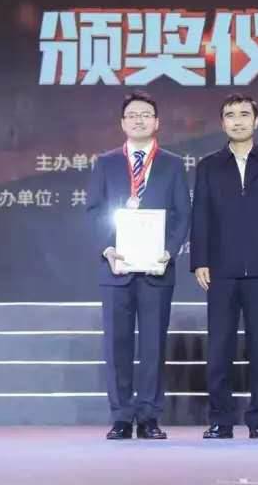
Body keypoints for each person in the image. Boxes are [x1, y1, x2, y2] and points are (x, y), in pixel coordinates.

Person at [87, 91, 191, 440]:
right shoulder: (105, 163)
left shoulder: (172, 164)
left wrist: (169, 251)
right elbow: (94, 210)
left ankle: (148, 417)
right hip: (116, 268)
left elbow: (182, 214)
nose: (139, 120)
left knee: (153, 346)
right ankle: (120, 416)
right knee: (117, 346)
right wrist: (107, 248)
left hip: (156, 269)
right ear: (122, 123)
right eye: (132, 115)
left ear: (157, 122)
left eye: (146, 114)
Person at [190, 93, 258, 440]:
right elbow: (200, 215)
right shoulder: (208, 165)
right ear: (222, 123)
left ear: (256, 120)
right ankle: (221, 419)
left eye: (244, 114)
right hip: (221, 268)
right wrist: (200, 260)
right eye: (230, 115)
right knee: (219, 346)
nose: (238, 121)